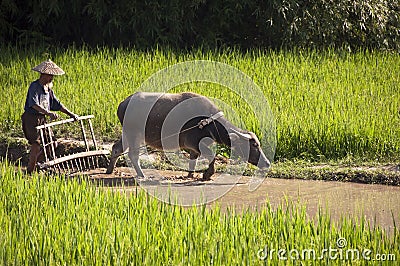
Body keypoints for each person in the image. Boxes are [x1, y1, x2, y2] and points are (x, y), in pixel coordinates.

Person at [22, 59, 78, 174]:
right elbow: (33, 104)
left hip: (42, 119)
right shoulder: (35, 86)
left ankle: (38, 164)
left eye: (52, 75)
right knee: (36, 144)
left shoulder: (48, 88)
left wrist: (71, 114)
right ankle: (30, 171)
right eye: (50, 75)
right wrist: (48, 113)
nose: (52, 78)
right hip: (31, 118)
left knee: (52, 143)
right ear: (43, 74)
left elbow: (57, 104)